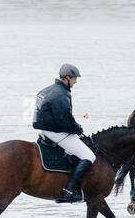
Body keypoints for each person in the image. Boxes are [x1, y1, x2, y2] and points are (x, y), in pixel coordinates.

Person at [33, 64, 93, 203]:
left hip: (45, 129)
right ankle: (71, 191)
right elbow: (65, 121)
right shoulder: (61, 94)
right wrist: (78, 128)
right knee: (89, 155)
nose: (75, 82)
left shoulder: (46, 90)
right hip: (55, 132)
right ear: (67, 78)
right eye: (74, 79)